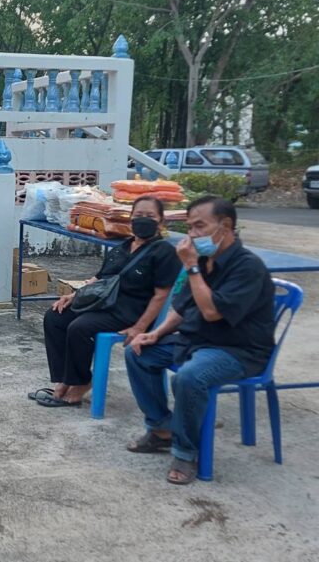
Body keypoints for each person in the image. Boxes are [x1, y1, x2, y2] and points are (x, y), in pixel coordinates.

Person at [124, 195, 275, 485]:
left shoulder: (247, 267)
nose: (193, 234)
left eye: (199, 226)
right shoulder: (205, 261)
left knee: (190, 377)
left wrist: (191, 267)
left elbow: (211, 311)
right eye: (190, 227)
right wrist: (156, 332)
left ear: (225, 226)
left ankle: (185, 452)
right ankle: (161, 429)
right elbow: (181, 308)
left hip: (237, 350)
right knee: (138, 352)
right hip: (196, 341)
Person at [30, 196, 182, 407]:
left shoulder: (164, 252)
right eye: (139, 215)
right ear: (131, 219)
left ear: (161, 222)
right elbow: (100, 279)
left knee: (79, 327)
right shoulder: (122, 248)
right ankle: (65, 379)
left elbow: (161, 295)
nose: (143, 220)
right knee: (55, 317)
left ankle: (81, 383)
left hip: (130, 311)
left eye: (150, 216)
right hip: (104, 303)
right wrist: (74, 296)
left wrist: (139, 327)